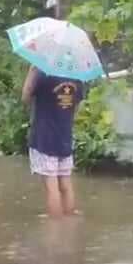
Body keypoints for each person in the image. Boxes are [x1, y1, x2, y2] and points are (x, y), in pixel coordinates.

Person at [22, 66, 84, 217]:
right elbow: (76, 107)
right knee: (66, 185)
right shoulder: (77, 76)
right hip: (65, 137)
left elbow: (25, 98)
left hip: (44, 139)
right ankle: (68, 223)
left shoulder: (44, 73)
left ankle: (55, 229)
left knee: (52, 187)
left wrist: (32, 70)